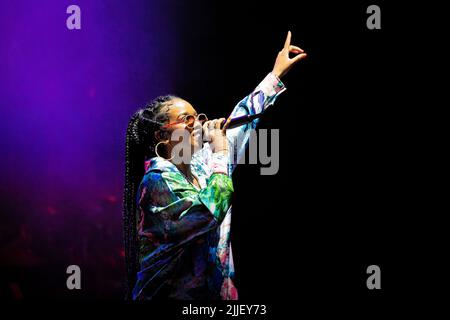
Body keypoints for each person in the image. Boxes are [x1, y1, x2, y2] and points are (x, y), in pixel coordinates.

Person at [123, 31, 307, 300]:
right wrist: (221, 149)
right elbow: (210, 213)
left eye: (197, 117)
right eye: (186, 119)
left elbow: (243, 119)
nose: (197, 123)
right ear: (163, 136)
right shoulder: (157, 180)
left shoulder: (203, 164)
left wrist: (275, 75)